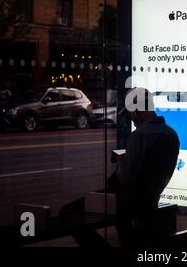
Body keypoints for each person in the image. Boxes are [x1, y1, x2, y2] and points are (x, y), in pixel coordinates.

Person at [60, 87, 180, 247]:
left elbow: (126, 180)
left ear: (136, 110)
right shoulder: (171, 134)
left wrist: (122, 163)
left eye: (130, 113)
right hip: (150, 200)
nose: (131, 118)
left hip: (127, 202)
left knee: (67, 213)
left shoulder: (140, 135)